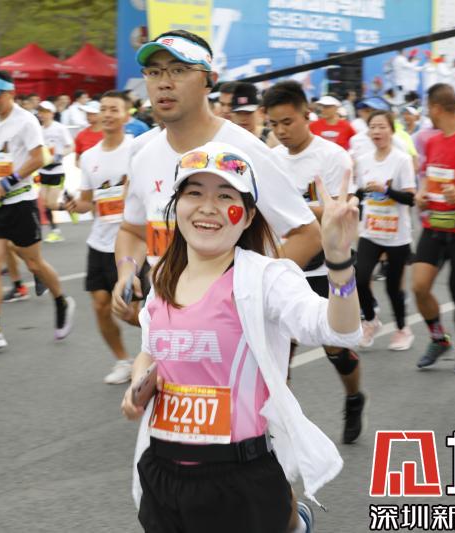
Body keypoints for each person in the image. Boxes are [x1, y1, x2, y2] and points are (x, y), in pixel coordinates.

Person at [121, 141, 361, 532]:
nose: (208, 207)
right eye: (194, 193)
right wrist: (138, 384)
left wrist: (338, 259)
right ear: (177, 206)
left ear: (247, 216)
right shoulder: (163, 277)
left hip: (240, 478)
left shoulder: (264, 278)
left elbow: (339, 329)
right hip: (162, 474)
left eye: (225, 196)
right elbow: (150, 353)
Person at [112, 30, 322, 326]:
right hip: (166, 324)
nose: (164, 82)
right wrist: (126, 271)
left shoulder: (247, 151)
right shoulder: (143, 155)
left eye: (178, 70)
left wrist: (253, 295)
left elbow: (308, 234)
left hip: (238, 331)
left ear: (208, 80)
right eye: (154, 72)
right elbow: (132, 231)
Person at [263, 80, 367, 444]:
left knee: (336, 348)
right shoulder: (271, 160)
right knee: (278, 354)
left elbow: (337, 211)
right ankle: (280, 432)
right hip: (283, 266)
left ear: (307, 115)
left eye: (287, 122)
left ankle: (354, 398)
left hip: (325, 268)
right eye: (274, 124)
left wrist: (299, 212)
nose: (281, 131)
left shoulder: (333, 157)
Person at [0, 71, 75, 353]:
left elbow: (39, 157)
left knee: (34, 263)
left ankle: (61, 300)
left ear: (11, 94)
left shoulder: (26, 120)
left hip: (20, 202)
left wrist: (10, 180)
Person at [66, 91, 143, 384]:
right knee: (100, 305)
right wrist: (75, 205)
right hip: (99, 242)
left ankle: (170, 342)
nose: (108, 114)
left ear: (126, 115)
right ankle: (124, 360)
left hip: (132, 242)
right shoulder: (89, 157)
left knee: (129, 312)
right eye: (104, 109)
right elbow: (88, 202)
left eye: (114, 109)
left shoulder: (137, 150)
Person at [413, 83, 455, 373]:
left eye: (428, 107)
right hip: (434, 226)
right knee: (419, 287)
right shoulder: (432, 141)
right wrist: (422, 194)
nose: (427, 113)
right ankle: (439, 339)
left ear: (437, 108)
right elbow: (429, 177)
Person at [354, 110, 417, 350]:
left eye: (382, 127)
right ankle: (371, 321)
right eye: (373, 127)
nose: (377, 131)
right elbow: (360, 192)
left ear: (391, 130)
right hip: (370, 230)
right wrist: (353, 200)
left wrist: (386, 190)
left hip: (396, 234)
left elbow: (410, 198)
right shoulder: (363, 160)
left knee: (392, 287)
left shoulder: (401, 160)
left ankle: (402, 329)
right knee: (359, 278)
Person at [37, 100, 75, 244]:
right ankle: (55, 232)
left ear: (52, 113)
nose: (42, 115)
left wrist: (60, 155)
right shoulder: (38, 130)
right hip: (43, 171)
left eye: (45, 112)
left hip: (57, 170)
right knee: (44, 204)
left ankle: (71, 206)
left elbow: (71, 146)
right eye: (40, 112)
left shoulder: (59, 128)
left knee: (52, 204)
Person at [229, 82, 278, 147]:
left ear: (259, 111)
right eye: (239, 113)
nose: (243, 118)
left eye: (248, 113)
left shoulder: (270, 137)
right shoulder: (229, 140)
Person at [74, 100, 103, 166]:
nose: (87, 116)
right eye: (87, 113)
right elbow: (77, 160)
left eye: (91, 113)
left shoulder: (110, 134)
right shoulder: (81, 135)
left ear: (99, 114)